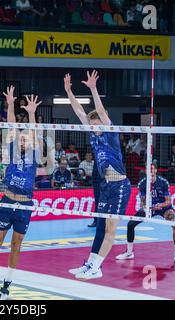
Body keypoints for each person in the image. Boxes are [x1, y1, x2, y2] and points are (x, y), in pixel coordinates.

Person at [0, 87, 41, 299]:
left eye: (24, 139)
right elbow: (11, 126)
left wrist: (31, 113)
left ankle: (7, 282)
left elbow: (34, 133)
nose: (22, 141)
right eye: (20, 139)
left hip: (25, 205)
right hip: (8, 201)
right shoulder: (12, 151)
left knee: (16, 244)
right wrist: (10, 103)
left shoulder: (35, 154)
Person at [65, 70, 131, 280]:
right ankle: (90, 264)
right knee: (101, 227)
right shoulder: (93, 137)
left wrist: (93, 89)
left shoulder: (111, 134)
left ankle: (97, 267)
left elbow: (101, 112)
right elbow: (79, 112)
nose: (94, 127)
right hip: (105, 187)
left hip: (120, 186)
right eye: (92, 125)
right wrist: (69, 91)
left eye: (97, 124)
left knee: (111, 228)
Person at [116, 164, 175, 263]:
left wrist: (160, 205)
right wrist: (147, 207)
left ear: (155, 170)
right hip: (150, 207)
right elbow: (143, 202)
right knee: (130, 224)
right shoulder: (142, 183)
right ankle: (129, 252)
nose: (150, 171)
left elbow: (168, 201)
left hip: (163, 207)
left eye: (152, 169)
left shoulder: (163, 182)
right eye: (148, 170)